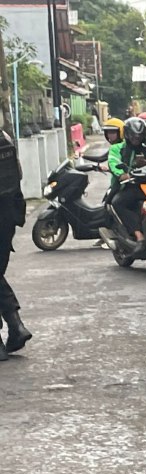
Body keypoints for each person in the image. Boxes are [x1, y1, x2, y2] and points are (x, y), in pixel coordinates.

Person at [0, 130, 33, 360]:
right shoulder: (5, 138)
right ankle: (15, 325)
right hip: (8, 214)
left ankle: (14, 327)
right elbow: (18, 173)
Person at [108, 117, 146, 253]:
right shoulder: (117, 148)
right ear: (127, 134)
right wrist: (122, 174)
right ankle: (139, 236)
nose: (136, 139)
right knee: (118, 203)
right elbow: (113, 163)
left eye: (139, 136)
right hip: (126, 186)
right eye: (133, 136)